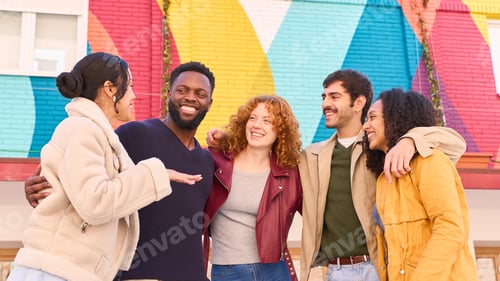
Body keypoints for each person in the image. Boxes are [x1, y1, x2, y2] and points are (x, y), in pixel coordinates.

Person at [8, 52, 202, 281]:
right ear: (110, 89)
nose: (134, 95)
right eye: (129, 87)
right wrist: (156, 174)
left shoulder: (100, 136)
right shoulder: (82, 129)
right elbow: (95, 201)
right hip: (53, 271)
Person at [298, 69, 467, 281]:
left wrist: (411, 139)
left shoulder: (398, 152)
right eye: (324, 97)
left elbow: (456, 144)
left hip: (378, 266)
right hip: (338, 270)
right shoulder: (313, 156)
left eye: (334, 96)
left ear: (358, 103)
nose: (325, 104)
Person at [363, 88, 478, 281]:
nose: (366, 126)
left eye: (372, 117)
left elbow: (450, 229)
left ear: (394, 118)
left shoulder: (430, 161)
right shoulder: (385, 178)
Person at [203, 95, 302, 281]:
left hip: (274, 270)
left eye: (267, 121)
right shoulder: (217, 161)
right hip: (229, 270)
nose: (257, 125)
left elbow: (315, 212)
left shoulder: (289, 174)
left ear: (281, 130)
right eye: (252, 118)